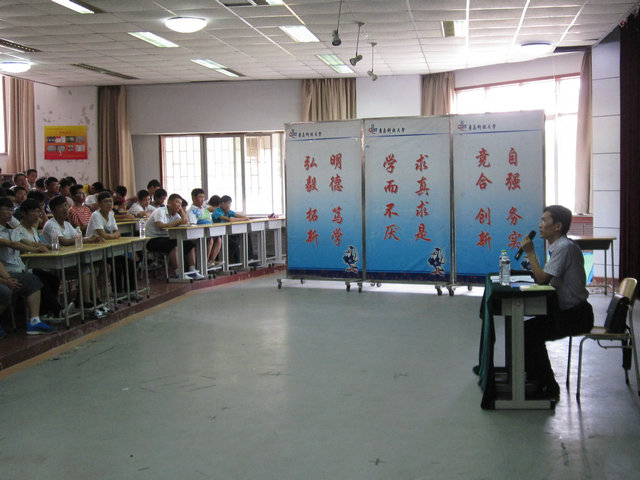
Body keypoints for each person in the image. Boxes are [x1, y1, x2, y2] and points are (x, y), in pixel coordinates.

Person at [520, 204, 594, 400]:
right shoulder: (559, 247)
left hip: (576, 315)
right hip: (568, 312)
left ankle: (548, 386)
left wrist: (530, 253)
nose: (540, 225)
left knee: (529, 333)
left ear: (558, 226)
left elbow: (542, 278)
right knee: (525, 330)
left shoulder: (564, 247)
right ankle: (534, 379)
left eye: (544, 221)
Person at [0, 197, 55, 335]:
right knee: (32, 280)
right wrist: (35, 250)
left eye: (11, 209)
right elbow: (13, 244)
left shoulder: (10, 229)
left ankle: (36, 320)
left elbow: (24, 241)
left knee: (38, 279)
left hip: (15, 270)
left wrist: (43, 246)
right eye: (6, 209)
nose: (10, 213)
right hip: (7, 270)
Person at [42, 195, 106, 315]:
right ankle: (86, 302)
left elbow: (78, 237)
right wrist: (87, 240)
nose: (65, 209)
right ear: (53, 210)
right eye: (61, 207)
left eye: (66, 206)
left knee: (94, 268)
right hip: (56, 265)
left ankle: (93, 299)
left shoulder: (66, 224)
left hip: (70, 260)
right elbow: (64, 241)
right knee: (86, 269)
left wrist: (92, 238)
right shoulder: (51, 224)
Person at [86, 191, 139, 299]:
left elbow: (117, 232)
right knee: (116, 265)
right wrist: (113, 236)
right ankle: (117, 292)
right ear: (99, 204)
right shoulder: (96, 215)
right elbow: (102, 234)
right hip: (94, 251)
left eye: (110, 201)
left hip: (108, 249)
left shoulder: (111, 215)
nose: (109, 204)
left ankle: (131, 291)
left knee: (129, 262)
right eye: (106, 202)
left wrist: (111, 236)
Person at [145, 193, 205, 280]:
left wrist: (182, 212)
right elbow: (161, 226)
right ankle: (178, 273)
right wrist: (179, 221)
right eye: (177, 202)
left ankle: (192, 271)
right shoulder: (160, 211)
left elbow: (185, 222)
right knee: (173, 246)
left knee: (190, 244)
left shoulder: (175, 214)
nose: (179, 205)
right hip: (152, 239)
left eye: (180, 203)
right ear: (169, 202)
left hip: (166, 238)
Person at [212, 195, 252, 264]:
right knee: (234, 243)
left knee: (245, 236)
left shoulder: (229, 211)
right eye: (226, 203)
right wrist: (242, 219)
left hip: (228, 233)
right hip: (218, 234)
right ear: (221, 204)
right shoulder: (217, 211)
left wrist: (244, 217)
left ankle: (248, 259)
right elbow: (229, 219)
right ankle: (227, 261)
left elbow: (237, 215)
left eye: (229, 203)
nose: (228, 205)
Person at [188, 188, 221, 268]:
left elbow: (210, 222)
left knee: (219, 239)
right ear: (194, 198)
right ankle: (204, 262)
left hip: (208, 233)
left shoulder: (205, 210)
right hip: (197, 235)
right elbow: (193, 226)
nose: (202, 199)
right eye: (200, 197)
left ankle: (211, 261)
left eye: (203, 197)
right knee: (210, 239)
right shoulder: (191, 211)